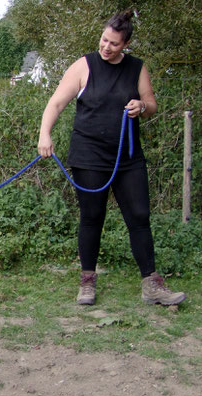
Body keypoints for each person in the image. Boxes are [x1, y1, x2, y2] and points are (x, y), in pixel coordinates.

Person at [37, 10, 185, 306]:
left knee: (140, 217)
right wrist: (45, 134)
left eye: (114, 44)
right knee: (92, 217)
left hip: (128, 157)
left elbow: (152, 105)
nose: (106, 47)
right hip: (89, 155)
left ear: (125, 44)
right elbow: (56, 103)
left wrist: (141, 106)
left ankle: (151, 285)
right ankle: (88, 281)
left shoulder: (136, 69)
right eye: (104, 40)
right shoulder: (83, 66)